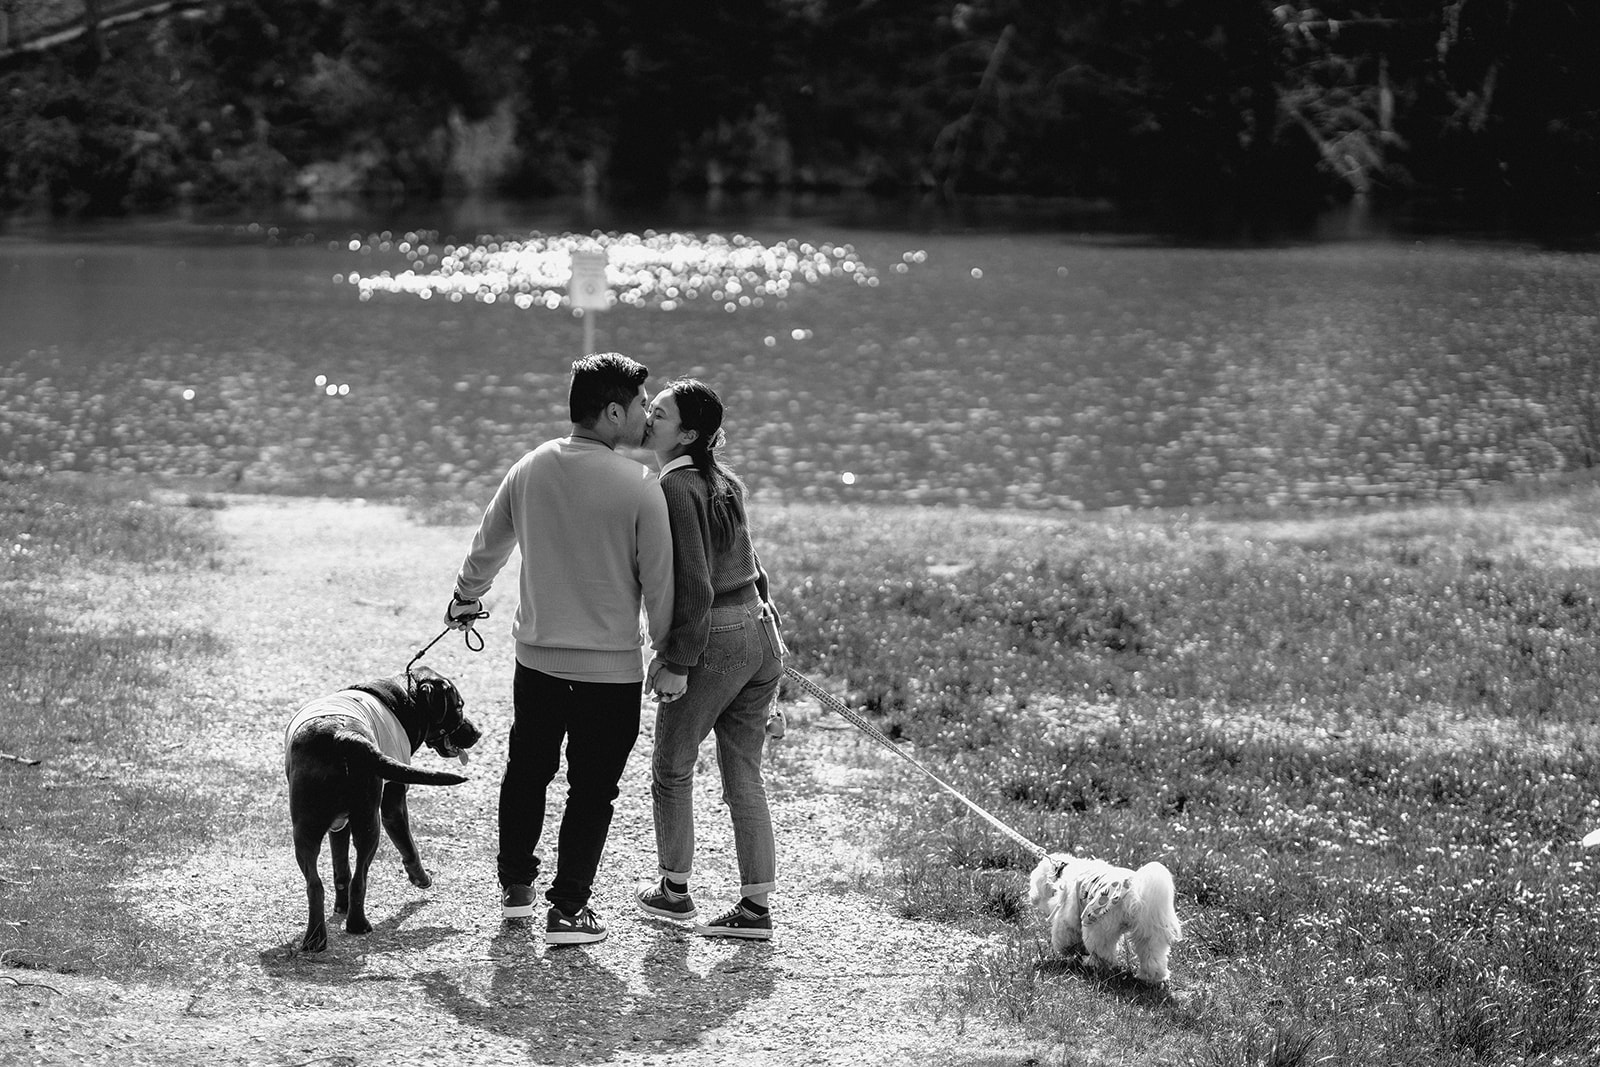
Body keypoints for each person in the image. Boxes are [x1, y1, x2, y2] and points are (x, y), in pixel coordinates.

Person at [444, 352, 674, 946]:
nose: (648, 417)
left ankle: (516, 892)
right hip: (611, 673)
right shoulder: (642, 487)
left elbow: (487, 545)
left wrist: (466, 598)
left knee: (528, 772)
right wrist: (670, 655)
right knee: (593, 790)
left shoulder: (529, 468)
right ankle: (569, 909)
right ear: (614, 411)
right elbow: (660, 586)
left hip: (538, 662)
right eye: (642, 406)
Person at [634, 378, 785, 940]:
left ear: (689, 434)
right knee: (744, 773)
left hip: (716, 637)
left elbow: (694, 583)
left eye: (660, 411)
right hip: (757, 630)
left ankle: (673, 892)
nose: (649, 416)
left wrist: (677, 658)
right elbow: (755, 566)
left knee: (671, 767)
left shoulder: (674, 488)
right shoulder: (725, 482)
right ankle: (755, 908)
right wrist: (774, 649)